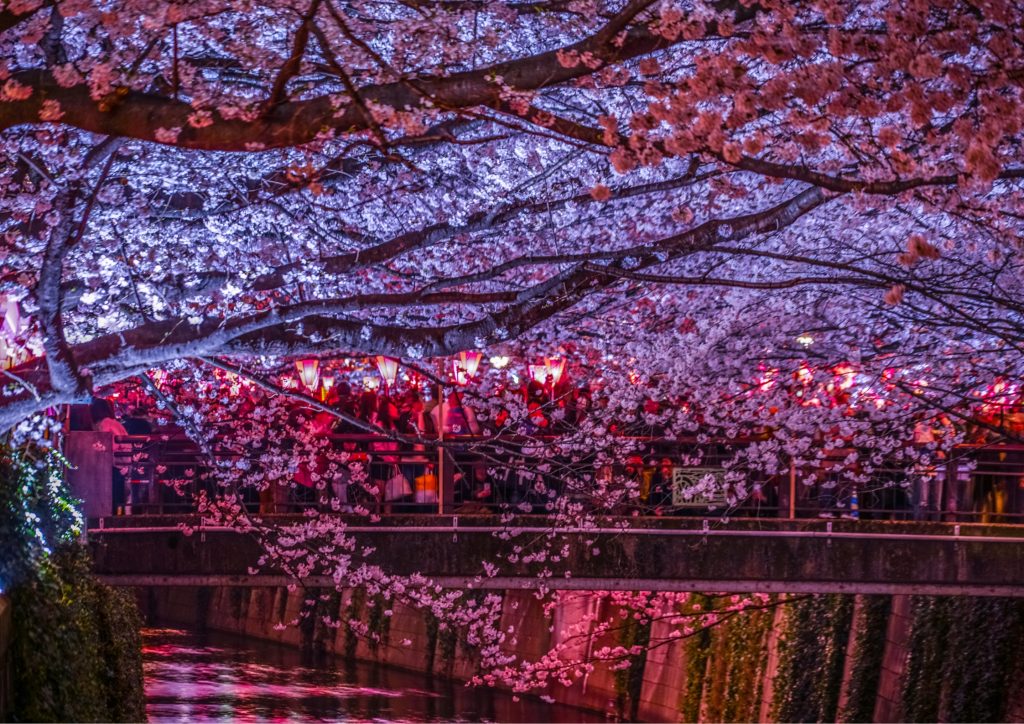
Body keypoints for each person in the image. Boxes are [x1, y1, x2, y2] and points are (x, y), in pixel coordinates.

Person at [90, 397, 130, 515]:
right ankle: (119, 514)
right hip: (122, 461)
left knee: (113, 492)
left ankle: (114, 515)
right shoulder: (114, 423)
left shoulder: (105, 424)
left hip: (114, 463)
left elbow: (109, 445)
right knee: (118, 492)